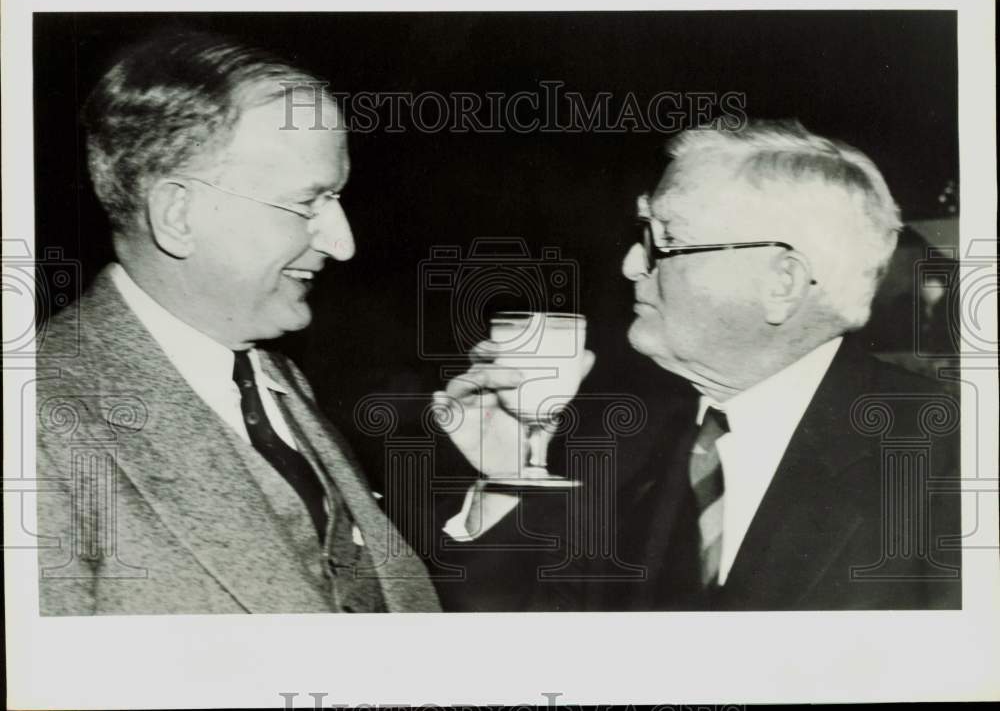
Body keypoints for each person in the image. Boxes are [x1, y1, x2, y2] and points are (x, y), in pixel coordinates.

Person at [437, 120, 961, 611]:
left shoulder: (951, 455)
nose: (631, 264)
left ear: (781, 283)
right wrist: (509, 479)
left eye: (664, 237)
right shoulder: (620, 450)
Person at [35, 30, 440, 614]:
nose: (343, 243)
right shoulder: (36, 426)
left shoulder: (276, 381)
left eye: (338, 200)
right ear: (178, 214)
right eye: (307, 203)